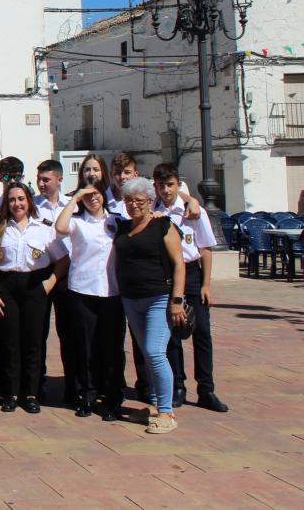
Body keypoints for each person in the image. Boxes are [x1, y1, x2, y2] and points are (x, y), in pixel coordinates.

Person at [113, 176, 188, 434]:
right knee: (146, 353)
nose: (134, 205)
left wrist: (176, 300)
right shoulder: (122, 228)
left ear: (149, 201)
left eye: (139, 201)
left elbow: (179, 263)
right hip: (131, 299)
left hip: (159, 297)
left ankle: (166, 412)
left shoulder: (163, 226)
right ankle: (155, 405)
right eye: (129, 200)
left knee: (156, 352)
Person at [152, 163, 227, 412]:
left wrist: (206, 283)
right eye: (161, 185)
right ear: (155, 187)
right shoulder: (153, 211)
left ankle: (206, 389)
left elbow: (205, 248)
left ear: (178, 184)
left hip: (192, 273)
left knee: (202, 332)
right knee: (172, 333)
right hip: (167, 274)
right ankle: (178, 387)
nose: (166, 190)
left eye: (170, 184)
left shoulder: (193, 211)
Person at [0, 182, 59, 413]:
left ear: (29, 202)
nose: (17, 203)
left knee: (34, 342)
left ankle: (32, 393)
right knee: (9, 342)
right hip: (7, 287)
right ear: (7, 204)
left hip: (35, 286)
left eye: (21, 199)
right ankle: (11, 392)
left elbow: (62, 259)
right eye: (12, 199)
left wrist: (49, 284)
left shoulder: (44, 228)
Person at [52, 184, 124, 421]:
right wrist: (77, 197)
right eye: (88, 196)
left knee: (112, 348)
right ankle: (87, 394)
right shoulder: (76, 221)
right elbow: (60, 227)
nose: (93, 199)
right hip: (83, 289)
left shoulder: (116, 220)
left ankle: (112, 398)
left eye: (96, 194)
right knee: (85, 347)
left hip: (111, 291)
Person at [34, 157, 75, 407]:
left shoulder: (71, 206)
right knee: (37, 332)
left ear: (59, 179)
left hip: (68, 273)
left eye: (46, 179)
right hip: (40, 270)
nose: (41, 184)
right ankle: (36, 386)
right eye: (39, 179)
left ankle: (73, 387)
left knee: (69, 333)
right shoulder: (32, 205)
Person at [109, 153, 139, 217]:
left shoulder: (145, 197)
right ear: (111, 175)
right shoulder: (102, 198)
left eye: (127, 172)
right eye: (118, 173)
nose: (122, 177)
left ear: (135, 174)